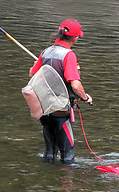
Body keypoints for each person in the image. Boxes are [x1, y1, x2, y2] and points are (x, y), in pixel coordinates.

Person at [29, 19, 92, 164]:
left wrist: (34, 66)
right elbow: (75, 86)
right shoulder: (69, 55)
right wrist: (85, 98)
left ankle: (46, 181)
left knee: (49, 154)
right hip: (61, 111)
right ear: (75, 38)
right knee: (68, 156)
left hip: (44, 109)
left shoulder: (45, 52)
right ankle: (66, 184)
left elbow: (32, 74)